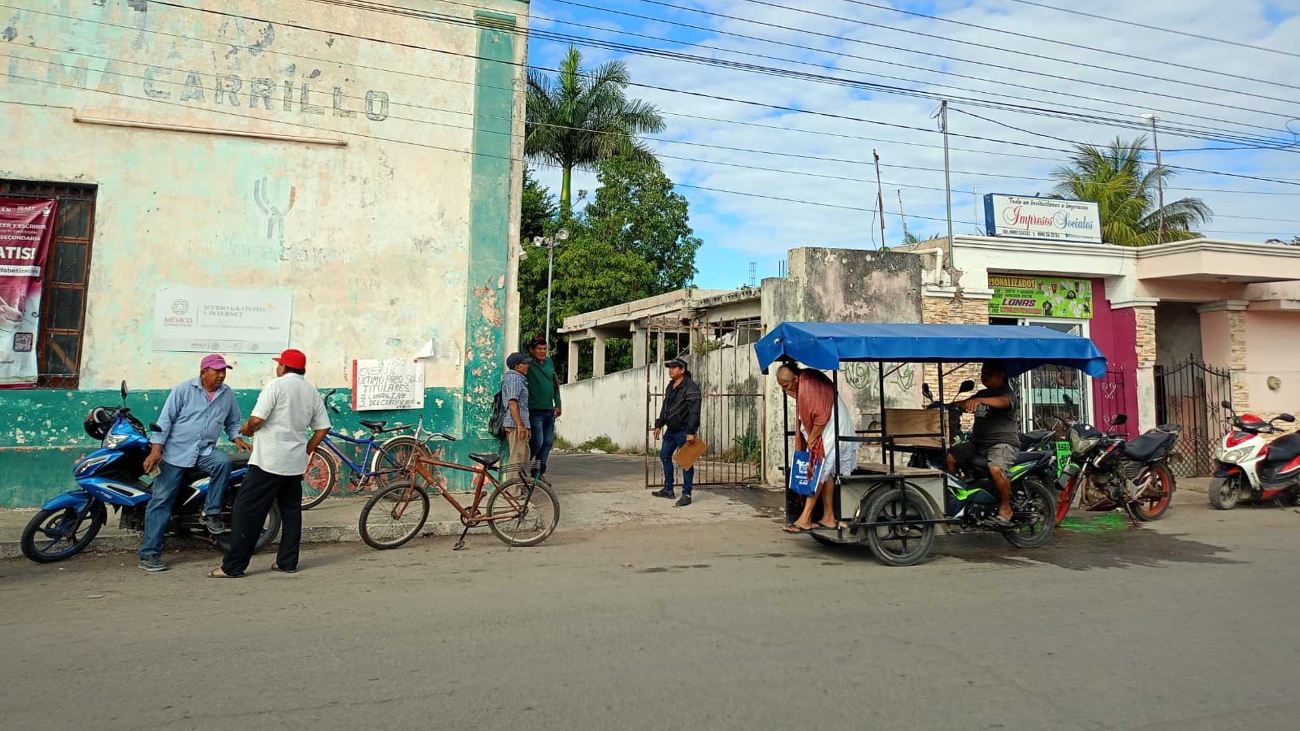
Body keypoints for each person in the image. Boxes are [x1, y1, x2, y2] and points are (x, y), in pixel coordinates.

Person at [210, 349, 330, 578]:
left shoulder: (275, 386)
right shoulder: (310, 391)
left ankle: (233, 566)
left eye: (279, 364)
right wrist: (307, 449)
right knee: (291, 512)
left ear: (283, 367)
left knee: (246, 511)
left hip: (269, 461)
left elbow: (257, 419)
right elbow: (323, 427)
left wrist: (246, 429)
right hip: (294, 463)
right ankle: (287, 562)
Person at [138, 354, 250, 573]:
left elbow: (233, 421)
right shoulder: (183, 390)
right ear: (203, 372)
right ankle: (149, 554)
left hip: (204, 451)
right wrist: (156, 450)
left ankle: (211, 513)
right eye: (217, 371)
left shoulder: (227, 394)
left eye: (224, 371)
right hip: (175, 453)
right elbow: (165, 421)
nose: (221, 375)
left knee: (223, 462)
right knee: (161, 500)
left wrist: (237, 439)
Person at [777, 363, 859, 533]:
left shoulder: (808, 384)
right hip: (829, 429)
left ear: (796, 379)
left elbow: (821, 417)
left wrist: (812, 438)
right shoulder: (804, 382)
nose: (785, 390)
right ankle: (829, 517)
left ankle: (805, 518)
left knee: (818, 472)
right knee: (825, 473)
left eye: (786, 385)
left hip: (833, 428)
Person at [946, 360, 1019, 526]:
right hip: (978, 443)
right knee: (951, 457)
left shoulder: (1007, 393)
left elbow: (1003, 402)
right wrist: (949, 405)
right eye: (983, 373)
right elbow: (965, 403)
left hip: (1002, 443)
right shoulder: (982, 394)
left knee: (995, 469)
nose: (985, 376)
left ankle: (1006, 508)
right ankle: (962, 498)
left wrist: (980, 400)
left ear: (1002, 375)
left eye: (989, 373)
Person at [652, 358, 702, 508]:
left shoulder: (691, 387)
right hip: (671, 430)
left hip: (684, 431)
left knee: (686, 462)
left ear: (682, 370)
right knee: (664, 455)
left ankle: (687, 494)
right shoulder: (671, 386)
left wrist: (691, 432)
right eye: (670, 367)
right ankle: (668, 489)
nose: (671, 370)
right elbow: (665, 407)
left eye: (674, 367)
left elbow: (695, 412)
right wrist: (659, 425)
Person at [525, 336, 561, 483]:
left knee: (548, 443)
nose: (542, 351)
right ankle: (521, 467)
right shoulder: (528, 364)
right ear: (531, 350)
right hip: (535, 411)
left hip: (549, 411)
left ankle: (538, 471)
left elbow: (555, 384)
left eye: (544, 349)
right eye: (539, 349)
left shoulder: (549, 362)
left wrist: (558, 403)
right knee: (537, 442)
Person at [502, 352, 532, 476]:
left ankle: (519, 485)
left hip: (520, 425)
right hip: (515, 425)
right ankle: (513, 487)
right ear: (517, 366)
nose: (527, 366)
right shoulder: (513, 379)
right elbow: (512, 403)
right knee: (517, 459)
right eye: (525, 364)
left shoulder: (519, 379)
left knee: (523, 457)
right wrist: (520, 425)